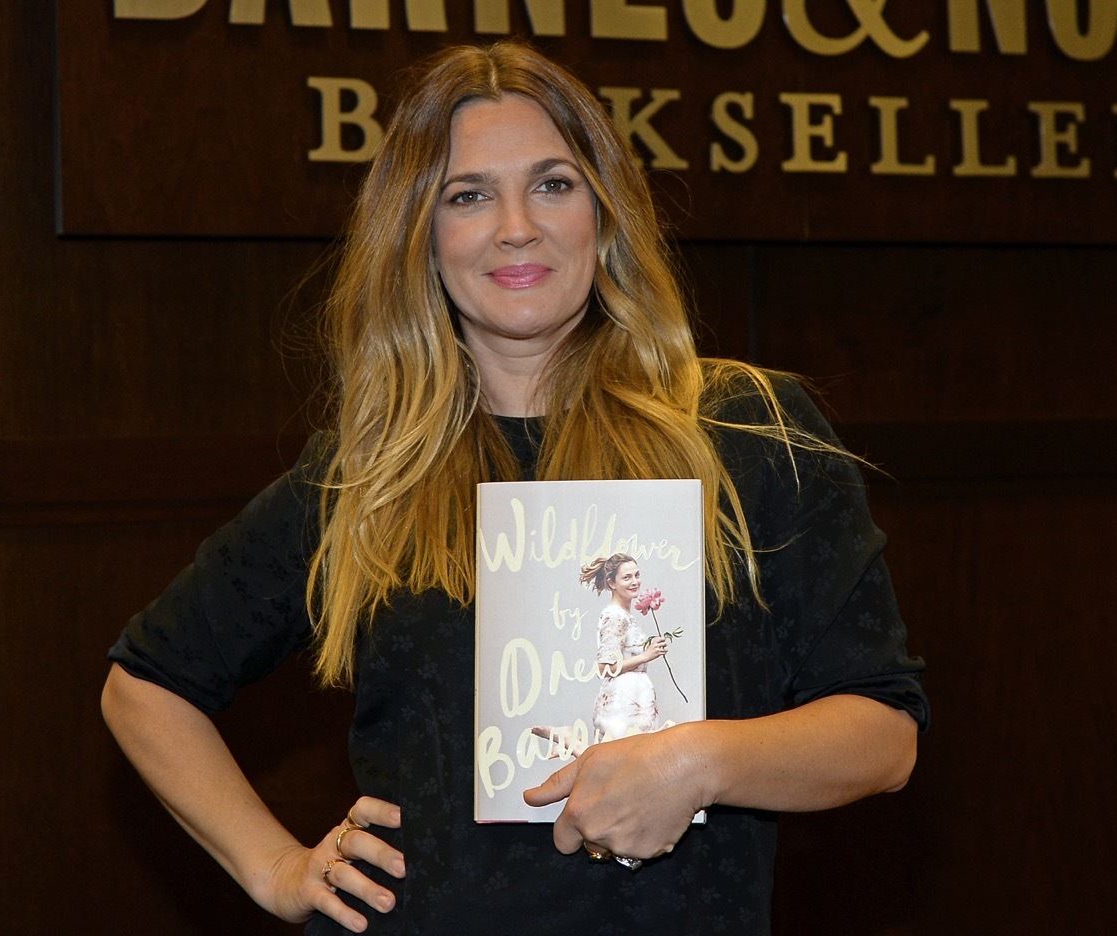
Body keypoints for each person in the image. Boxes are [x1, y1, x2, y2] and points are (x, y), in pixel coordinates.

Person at [101, 40, 929, 935]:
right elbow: (146, 683)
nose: (515, 227)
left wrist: (703, 761)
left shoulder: (744, 431)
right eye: (468, 196)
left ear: (606, 214)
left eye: (553, 184)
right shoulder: (368, 471)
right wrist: (274, 867)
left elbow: (883, 736)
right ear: (420, 235)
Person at [582, 553, 667, 740]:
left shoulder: (624, 615)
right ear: (612, 583)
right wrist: (646, 656)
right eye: (627, 577)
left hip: (634, 699)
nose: (635, 581)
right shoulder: (615, 616)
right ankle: (568, 739)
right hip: (622, 704)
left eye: (637, 575)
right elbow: (605, 668)